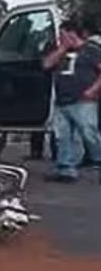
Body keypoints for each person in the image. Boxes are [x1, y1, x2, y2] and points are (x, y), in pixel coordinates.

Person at [42, 19, 101, 183]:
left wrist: (93, 90)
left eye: (62, 35)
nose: (60, 38)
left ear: (71, 33)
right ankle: (66, 169)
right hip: (62, 101)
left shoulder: (91, 50)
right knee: (63, 137)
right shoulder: (60, 51)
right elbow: (46, 65)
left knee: (90, 134)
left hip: (83, 100)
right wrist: (62, 49)